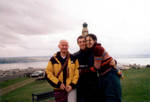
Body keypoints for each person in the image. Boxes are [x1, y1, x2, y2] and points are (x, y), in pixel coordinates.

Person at [85, 34, 122, 102]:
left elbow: (96, 67)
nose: (88, 42)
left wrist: (83, 71)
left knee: (112, 97)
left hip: (110, 74)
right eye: (86, 40)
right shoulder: (93, 49)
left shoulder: (97, 48)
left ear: (95, 40)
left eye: (90, 40)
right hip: (104, 75)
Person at [74, 35, 99, 102]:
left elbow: (105, 58)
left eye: (84, 41)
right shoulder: (75, 56)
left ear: (86, 42)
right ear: (78, 43)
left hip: (93, 86)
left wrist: (114, 61)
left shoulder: (93, 53)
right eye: (80, 42)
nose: (82, 43)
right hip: (80, 87)